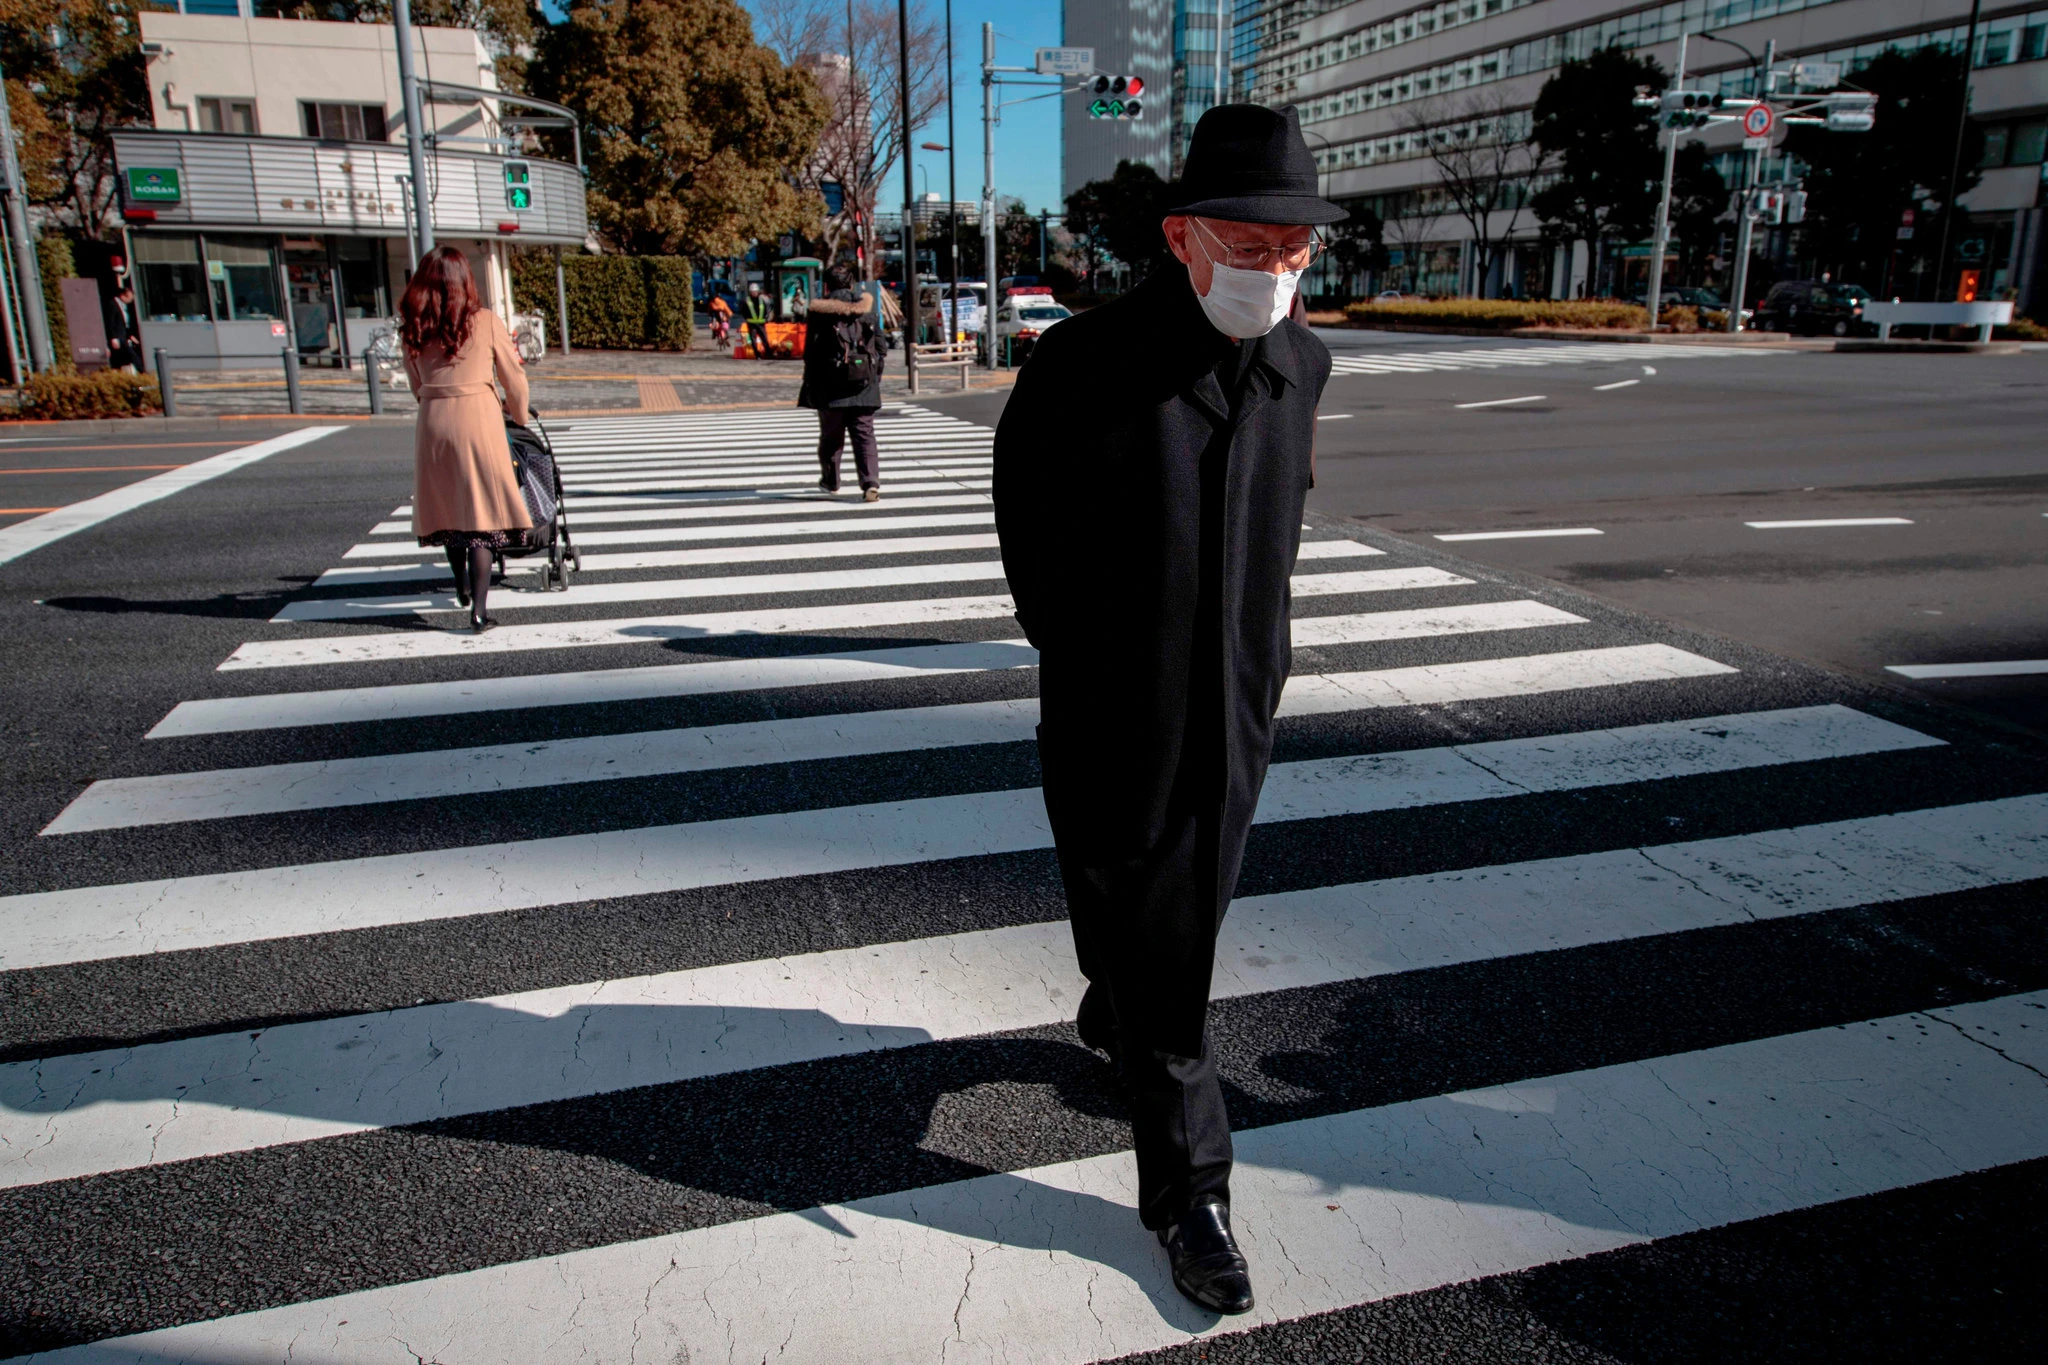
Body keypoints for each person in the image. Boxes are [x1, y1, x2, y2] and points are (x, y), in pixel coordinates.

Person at [992, 103, 1340, 1318]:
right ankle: (1176, 1152)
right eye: (1249, 248)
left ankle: (1149, 1086)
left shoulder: (1304, 363)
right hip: (1110, 701)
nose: (1274, 273)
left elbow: (1284, 522)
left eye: (1294, 252)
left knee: (1172, 922)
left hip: (1240, 699)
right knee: (1140, 917)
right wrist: (1086, 657)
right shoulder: (1080, 364)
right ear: (1180, 235)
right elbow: (1026, 533)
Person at [399, 245, 534, 633]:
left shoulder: (412, 325)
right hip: (478, 419)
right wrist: (518, 414)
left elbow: (416, 384)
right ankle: (478, 610)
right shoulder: (485, 320)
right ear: (464, 281)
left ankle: (459, 585)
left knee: (447, 508)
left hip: (434, 420)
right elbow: (514, 377)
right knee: (481, 515)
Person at [799, 263, 885, 501]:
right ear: (851, 283)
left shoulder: (819, 312)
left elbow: (811, 353)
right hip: (864, 383)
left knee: (831, 436)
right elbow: (880, 345)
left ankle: (831, 480)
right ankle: (870, 483)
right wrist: (874, 377)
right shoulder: (867, 308)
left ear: (826, 286)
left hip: (830, 386)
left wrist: (810, 387)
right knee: (864, 434)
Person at [742, 282, 771, 359]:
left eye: (755, 291)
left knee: (765, 338)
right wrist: (747, 319)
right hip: (752, 323)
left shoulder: (762, 300)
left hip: (761, 323)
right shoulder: (747, 300)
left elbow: (766, 309)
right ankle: (757, 354)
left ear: (758, 291)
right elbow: (743, 311)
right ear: (750, 292)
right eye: (752, 292)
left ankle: (768, 353)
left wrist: (766, 318)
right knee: (753, 340)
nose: (754, 293)